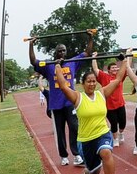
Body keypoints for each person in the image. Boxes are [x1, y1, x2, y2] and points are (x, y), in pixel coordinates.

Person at [54, 55, 128, 174]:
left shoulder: (102, 93)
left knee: (106, 153)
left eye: (94, 81)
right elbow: (63, 85)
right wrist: (58, 66)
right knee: (94, 172)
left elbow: (118, 79)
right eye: (89, 81)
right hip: (86, 139)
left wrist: (125, 60)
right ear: (83, 84)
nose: (92, 84)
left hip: (103, 133)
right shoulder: (77, 97)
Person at [29, 30, 95, 166]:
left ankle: (76, 155)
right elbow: (33, 61)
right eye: (59, 51)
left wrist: (90, 37)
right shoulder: (48, 65)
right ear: (55, 53)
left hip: (70, 103)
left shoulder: (72, 63)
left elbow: (87, 53)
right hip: (55, 104)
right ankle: (63, 156)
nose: (62, 53)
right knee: (59, 131)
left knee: (74, 128)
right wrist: (31, 45)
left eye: (64, 51)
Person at [92, 53, 129, 146]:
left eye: (116, 67)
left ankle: (121, 133)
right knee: (113, 123)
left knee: (122, 123)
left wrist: (128, 56)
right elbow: (96, 70)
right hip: (109, 106)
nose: (115, 69)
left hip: (120, 104)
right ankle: (115, 138)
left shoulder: (119, 76)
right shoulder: (104, 77)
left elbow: (126, 67)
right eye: (112, 68)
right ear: (108, 70)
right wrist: (93, 58)